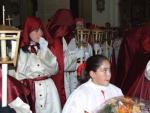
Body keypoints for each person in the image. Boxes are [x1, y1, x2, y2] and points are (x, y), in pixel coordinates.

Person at [9, 16, 61, 113]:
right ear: (28, 31)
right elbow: (16, 75)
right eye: (36, 30)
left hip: (49, 91)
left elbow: (55, 69)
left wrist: (44, 51)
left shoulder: (45, 48)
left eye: (41, 30)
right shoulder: (19, 51)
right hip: (31, 90)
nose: (40, 33)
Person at [47, 9, 85, 105]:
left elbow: (65, 57)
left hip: (64, 77)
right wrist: (77, 55)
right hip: (57, 80)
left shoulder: (60, 38)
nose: (68, 30)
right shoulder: (56, 39)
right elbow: (61, 64)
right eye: (67, 27)